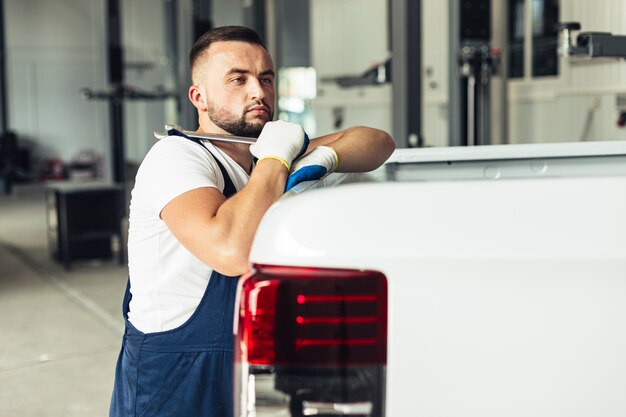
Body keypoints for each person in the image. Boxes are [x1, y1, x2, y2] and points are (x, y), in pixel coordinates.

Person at [109, 25, 395, 417]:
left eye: (265, 78)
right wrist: (277, 160)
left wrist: (324, 157)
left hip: (246, 363)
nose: (258, 92)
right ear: (200, 97)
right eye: (237, 79)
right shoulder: (177, 157)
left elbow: (377, 140)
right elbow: (231, 251)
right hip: (176, 380)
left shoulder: (267, 156)